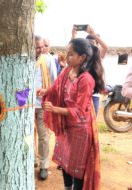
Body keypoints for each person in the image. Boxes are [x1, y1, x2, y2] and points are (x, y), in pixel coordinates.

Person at [40, 38, 104, 190]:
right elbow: (56, 86)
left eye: (71, 54)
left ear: (82, 58)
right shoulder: (68, 71)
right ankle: (66, 188)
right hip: (66, 126)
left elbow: (79, 111)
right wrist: (45, 91)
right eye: (67, 53)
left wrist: (55, 109)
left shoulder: (86, 79)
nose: (66, 57)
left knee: (77, 168)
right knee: (64, 161)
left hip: (80, 131)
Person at [34, 36, 57, 180]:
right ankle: (32, 161)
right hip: (27, 105)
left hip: (43, 104)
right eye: (37, 47)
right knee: (29, 135)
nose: (41, 49)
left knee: (44, 136)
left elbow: (55, 84)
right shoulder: (24, 61)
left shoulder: (48, 60)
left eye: (42, 46)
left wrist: (45, 91)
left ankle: (44, 165)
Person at [72, 25, 108, 116]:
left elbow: (106, 48)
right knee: (78, 117)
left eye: (92, 42)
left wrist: (93, 34)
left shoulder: (98, 57)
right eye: (88, 43)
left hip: (94, 94)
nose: (90, 45)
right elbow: (72, 49)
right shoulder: (81, 57)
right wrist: (73, 35)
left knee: (92, 120)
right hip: (80, 92)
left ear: (97, 44)